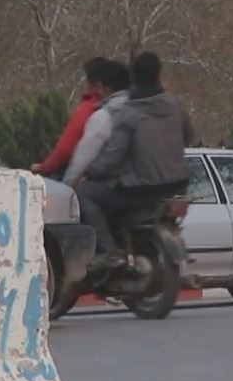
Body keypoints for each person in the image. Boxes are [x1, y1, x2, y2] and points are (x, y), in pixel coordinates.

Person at [78, 52, 194, 262]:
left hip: (141, 190)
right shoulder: (176, 106)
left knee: (84, 194)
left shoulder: (128, 114)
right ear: (158, 74)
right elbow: (188, 137)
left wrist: (90, 172)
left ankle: (109, 251)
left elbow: (112, 157)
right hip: (178, 187)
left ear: (134, 78)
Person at [31, 57, 111, 179]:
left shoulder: (89, 109)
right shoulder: (124, 107)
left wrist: (45, 168)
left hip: (84, 176)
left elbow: (65, 150)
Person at [63, 59, 130, 185]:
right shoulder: (141, 109)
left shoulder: (103, 116)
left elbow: (82, 160)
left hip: (113, 185)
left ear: (105, 87)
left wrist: (67, 185)